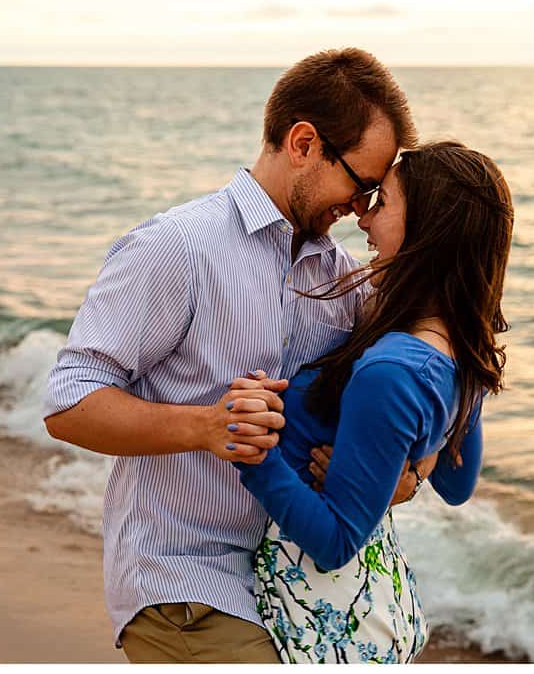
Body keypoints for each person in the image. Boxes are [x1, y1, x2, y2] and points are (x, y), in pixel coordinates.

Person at [41, 47, 430, 663]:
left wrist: (402, 477)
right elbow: (69, 404)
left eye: (375, 195)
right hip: (183, 581)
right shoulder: (177, 247)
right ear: (303, 143)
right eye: (359, 185)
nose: (361, 212)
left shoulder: (340, 278)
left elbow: (413, 409)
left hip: (303, 590)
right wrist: (204, 425)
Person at [229, 141, 515, 663]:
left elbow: (336, 540)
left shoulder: (390, 371)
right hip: (375, 609)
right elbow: (457, 482)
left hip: (321, 617)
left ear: (426, 231)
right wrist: (405, 471)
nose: (362, 218)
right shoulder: (461, 353)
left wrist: (253, 452)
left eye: (381, 203)